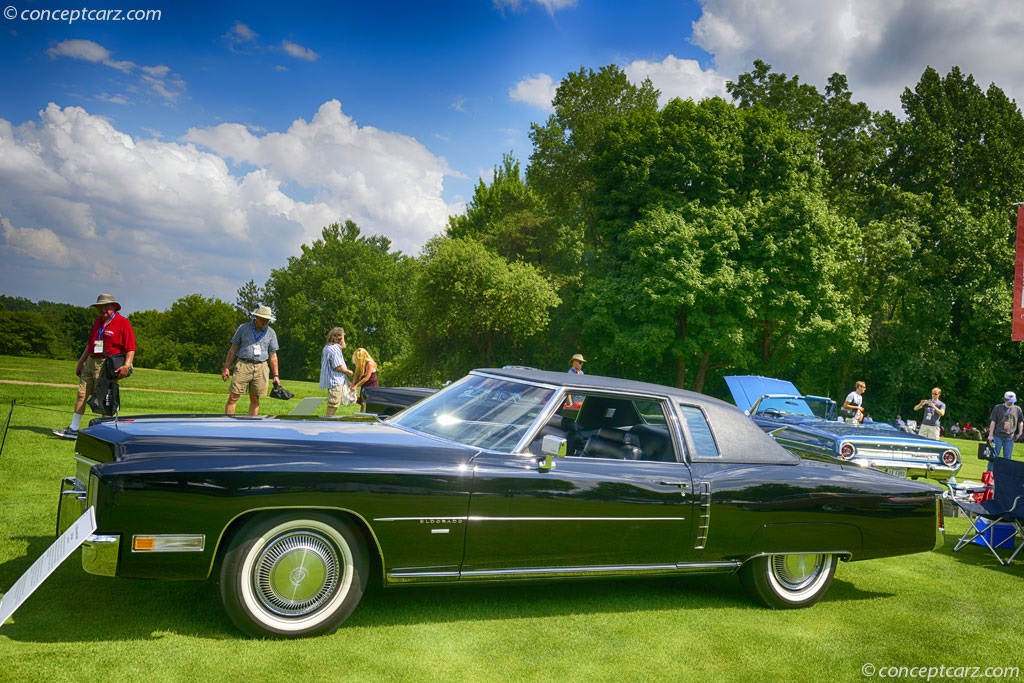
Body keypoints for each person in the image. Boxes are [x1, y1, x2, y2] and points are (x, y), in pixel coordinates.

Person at [52, 293, 136, 440]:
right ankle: (74, 429)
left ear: (113, 307)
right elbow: (90, 343)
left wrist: (127, 366)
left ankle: (106, 433)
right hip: (91, 361)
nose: (103, 310)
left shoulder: (123, 323)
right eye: (100, 307)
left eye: (106, 307)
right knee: (81, 394)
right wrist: (81, 361)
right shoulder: (97, 322)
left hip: (107, 364)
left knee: (105, 398)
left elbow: (131, 348)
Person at [222, 306, 280, 416]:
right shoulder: (243, 328)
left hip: (261, 366)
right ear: (256, 317)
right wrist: (226, 368)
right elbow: (233, 348)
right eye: (263, 319)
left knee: (255, 399)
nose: (265, 322)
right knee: (233, 397)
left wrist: (276, 375)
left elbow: (273, 355)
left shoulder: (271, 333)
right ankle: (227, 424)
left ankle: (252, 426)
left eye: (267, 320)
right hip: (243, 364)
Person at [319, 327, 354, 416]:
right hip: (335, 380)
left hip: (332, 379)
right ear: (340, 338)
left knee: (335, 402)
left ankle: (329, 419)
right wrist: (347, 371)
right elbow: (338, 366)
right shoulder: (334, 349)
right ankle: (328, 420)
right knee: (334, 403)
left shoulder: (328, 347)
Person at [986, 391, 1024, 469]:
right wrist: (990, 435)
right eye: (1009, 401)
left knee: (1007, 458)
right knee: (994, 456)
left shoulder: (1018, 409)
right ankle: (990, 472)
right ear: (1004, 399)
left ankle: (1005, 474)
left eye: (1013, 401)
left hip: (1010, 437)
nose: (1011, 403)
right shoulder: (998, 408)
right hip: (998, 435)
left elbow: (1020, 422)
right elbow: (993, 421)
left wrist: (1020, 433)